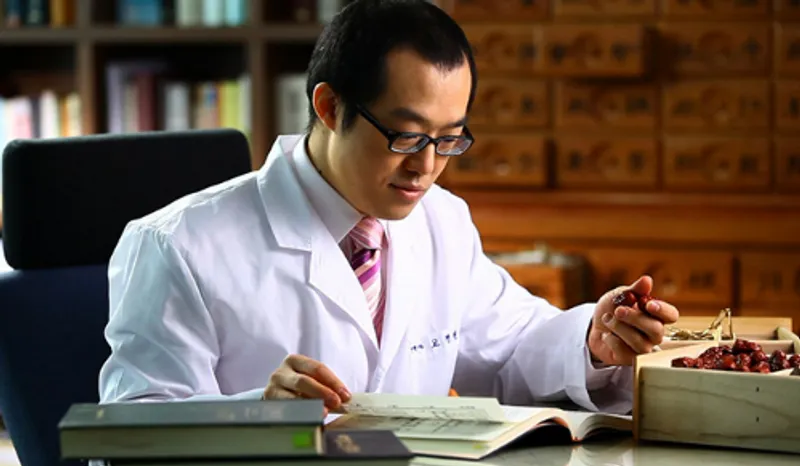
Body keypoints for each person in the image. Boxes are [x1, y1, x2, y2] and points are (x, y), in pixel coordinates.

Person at [97, 0, 679, 415]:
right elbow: (128, 434)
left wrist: (593, 342)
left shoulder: (442, 221)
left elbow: (510, 350)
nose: (426, 166)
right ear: (330, 107)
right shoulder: (178, 245)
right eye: (406, 135)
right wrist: (258, 415)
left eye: (449, 139)